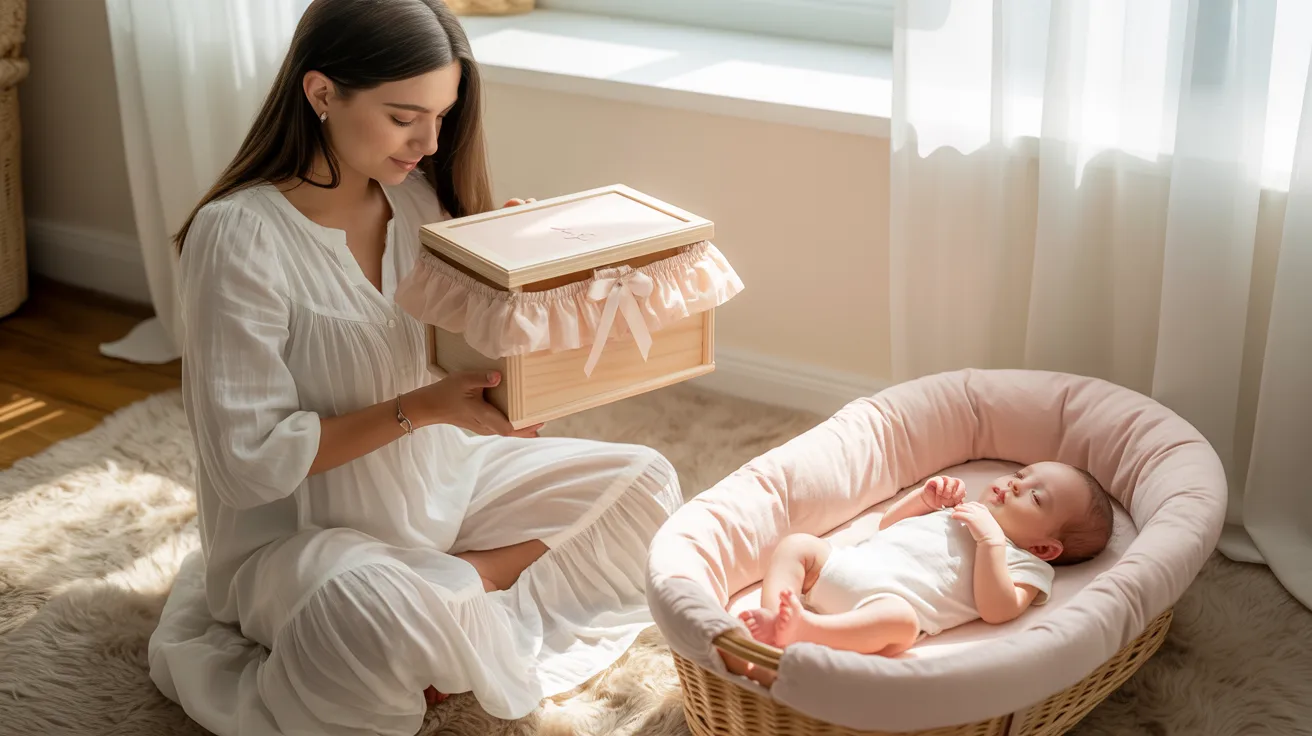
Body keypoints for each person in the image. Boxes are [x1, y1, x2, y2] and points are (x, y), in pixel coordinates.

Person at [146, 1, 683, 734]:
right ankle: (440, 606)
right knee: (368, 612)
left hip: (437, 485)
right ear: (322, 93)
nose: (429, 142)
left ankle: (460, 587)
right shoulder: (238, 236)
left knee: (646, 485)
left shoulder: (420, 199)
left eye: (442, 115)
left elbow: (471, 362)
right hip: (300, 543)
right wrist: (423, 410)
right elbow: (248, 466)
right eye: (405, 117)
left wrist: (522, 270)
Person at [737, 462, 1113, 661]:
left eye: (1035, 498)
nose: (1016, 484)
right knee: (797, 546)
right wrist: (924, 501)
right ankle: (776, 621)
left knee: (902, 625)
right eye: (1020, 474)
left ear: (1045, 549)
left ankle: (807, 629)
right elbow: (887, 527)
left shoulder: (1027, 564)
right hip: (847, 566)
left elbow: (998, 610)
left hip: (884, 603)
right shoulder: (964, 509)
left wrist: (991, 542)